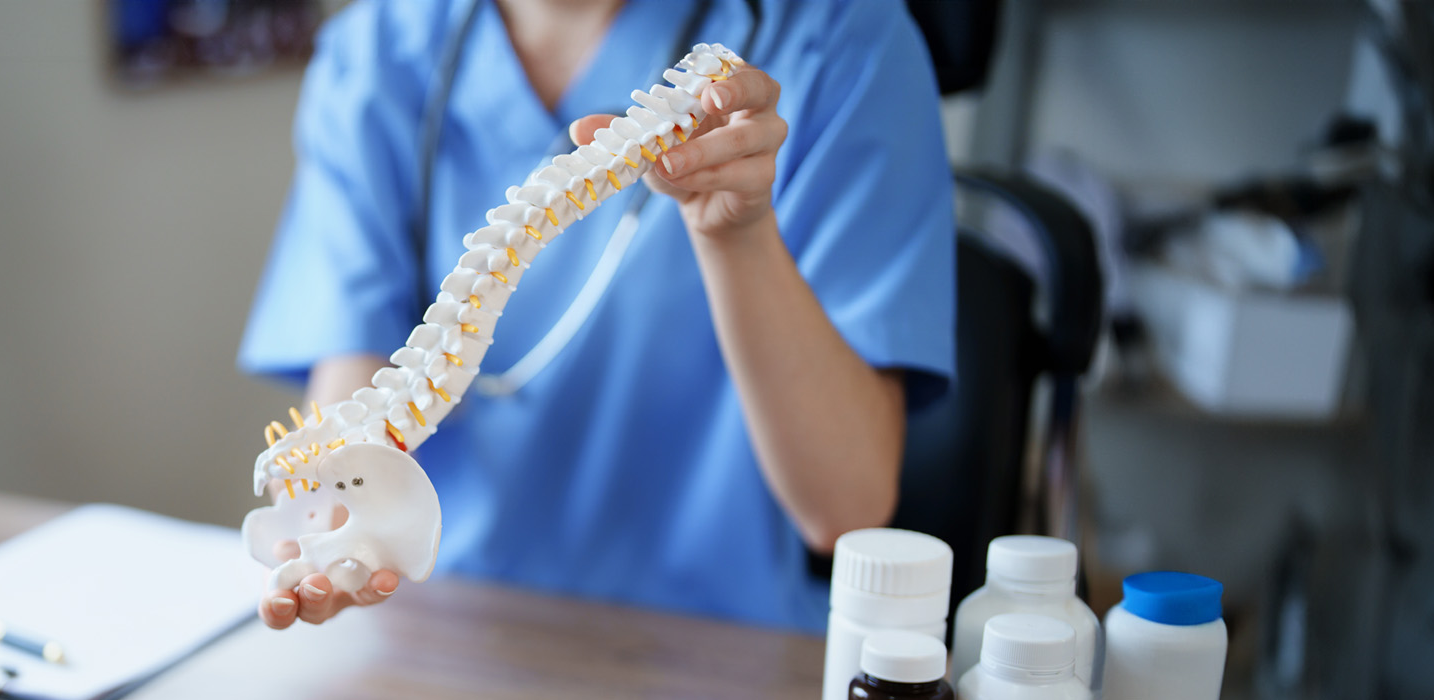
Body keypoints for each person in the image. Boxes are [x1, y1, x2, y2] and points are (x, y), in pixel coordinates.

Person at [239, 0, 955, 633]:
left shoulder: (843, 42)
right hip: (442, 630)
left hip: (717, 647)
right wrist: (325, 538)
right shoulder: (373, 52)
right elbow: (356, 398)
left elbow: (847, 507)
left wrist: (737, 235)